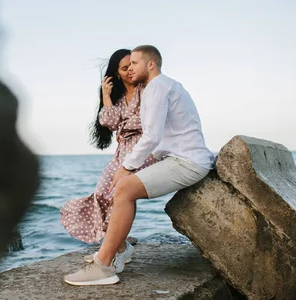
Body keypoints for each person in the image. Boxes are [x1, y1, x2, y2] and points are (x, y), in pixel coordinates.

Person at [64, 45, 215, 286]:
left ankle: (103, 265)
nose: (130, 68)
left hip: (185, 162)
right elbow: (129, 126)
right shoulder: (165, 85)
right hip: (183, 159)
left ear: (151, 64)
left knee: (123, 189)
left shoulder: (155, 88)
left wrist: (126, 167)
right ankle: (110, 256)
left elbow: (151, 136)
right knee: (120, 190)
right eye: (127, 65)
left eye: (134, 63)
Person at [60, 49, 156, 252]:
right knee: (101, 192)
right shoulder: (119, 99)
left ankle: (115, 249)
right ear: (117, 74)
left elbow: (146, 122)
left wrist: (124, 126)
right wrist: (106, 94)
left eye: (132, 65)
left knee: (118, 191)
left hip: (144, 151)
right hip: (122, 153)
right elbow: (109, 122)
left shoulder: (146, 89)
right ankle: (119, 245)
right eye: (124, 68)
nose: (130, 70)